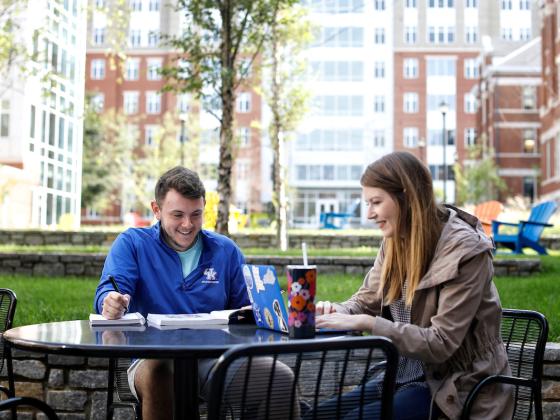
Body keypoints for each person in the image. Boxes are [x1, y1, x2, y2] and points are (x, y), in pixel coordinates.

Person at [315, 152, 513, 420]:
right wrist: (337, 311)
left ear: (406, 197)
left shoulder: (466, 251)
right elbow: (366, 300)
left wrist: (368, 324)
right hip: (405, 376)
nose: (370, 214)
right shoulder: (396, 239)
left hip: (454, 384)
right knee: (320, 414)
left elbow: (441, 343)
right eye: (367, 203)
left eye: (376, 202)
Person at [94, 167, 296, 420]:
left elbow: (247, 313)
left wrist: (262, 311)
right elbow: (110, 289)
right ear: (156, 210)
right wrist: (111, 301)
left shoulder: (225, 251)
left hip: (215, 360)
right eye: (177, 214)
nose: (187, 225)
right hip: (150, 359)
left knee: (279, 379)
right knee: (160, 375)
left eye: (196, 214)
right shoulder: (133, 243)